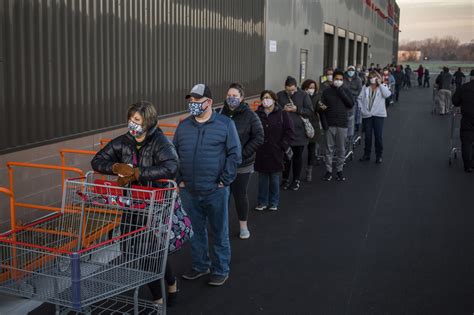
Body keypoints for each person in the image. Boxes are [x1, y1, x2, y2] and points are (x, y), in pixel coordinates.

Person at [91, 101, 180, 305]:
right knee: (134, 249)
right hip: (130, 204)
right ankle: (170, 284)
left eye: (137, 120)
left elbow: (171, 166)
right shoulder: (123, 141)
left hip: (154, 204)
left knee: (149, 250)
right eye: (131, 119)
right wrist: (117, 167)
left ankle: (160, 297)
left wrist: (138, 173)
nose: (133, 124)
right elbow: (97, 161)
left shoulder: (160, 142)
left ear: (148, 122)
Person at [174, 83, 241, 286]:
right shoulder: (184, 125)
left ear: (209, 102)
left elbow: (234, 154)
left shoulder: (225, 124)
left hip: (216, 191)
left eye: (197, 101)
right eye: (190, 101)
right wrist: (179, 180)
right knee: (195, 232)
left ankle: (221, 269)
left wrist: (224, 180)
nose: (192, 104)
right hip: (189, 191)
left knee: (219, 231)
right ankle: (201, 265)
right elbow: (173, 154)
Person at [219, 83, 264, 239]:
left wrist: (242, 154)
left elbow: (259, 137)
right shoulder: (219, 113)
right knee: (222, 196)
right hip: (223, 163)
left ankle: (243, 226)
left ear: (242, 98)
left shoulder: (251, 116)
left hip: (242, 164)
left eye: (235, 96)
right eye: (229, 96)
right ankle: (221, 226)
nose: (231, 98)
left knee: (239, 194)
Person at [255, 90, 294, 210]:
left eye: (268, 97)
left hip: (276, 151)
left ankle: (273, 202)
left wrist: (283, 145)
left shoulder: (282, 114)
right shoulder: (257, 114)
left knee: (274, 178)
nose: (266, 100)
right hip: (261, 151)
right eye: (264, 97)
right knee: (262, 178)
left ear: (274, 100)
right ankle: (262, 202)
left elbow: (289, 131)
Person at [277, 76, 313, 191]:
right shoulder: (280, 95)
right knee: (286, 157)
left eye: (293, 90)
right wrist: (283, 108)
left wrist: (297, 109)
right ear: (285, 88)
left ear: (296, 87)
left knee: (297, 157)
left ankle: (296, 180)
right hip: (285, 132)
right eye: (288, 90)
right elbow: (274, 110)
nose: (291, 92)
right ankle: (285, 179)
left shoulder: (303, 95)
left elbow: (310, 112)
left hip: (299, 132)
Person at [318, 70, 354, 181]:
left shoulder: (346, 90)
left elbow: (350, 104)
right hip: (330, 124)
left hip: (342, 124)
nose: (338, 81)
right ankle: (328, 171)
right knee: (328, 149)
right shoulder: (327, 92)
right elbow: (321, 106)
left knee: (341, 149)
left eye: (340, 79)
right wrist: (325, 124)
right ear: (332, 80)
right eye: (336, 79)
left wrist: (341, 91)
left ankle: (339, 170)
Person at [358, 71, 391, 164]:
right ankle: (366, 154)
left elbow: (387, 95)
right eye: (371, 77)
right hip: (367, 115)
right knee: (367, 136)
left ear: (378, 78)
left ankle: (379, 155)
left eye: (374, 77)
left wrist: (380, 84)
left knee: (378, 136)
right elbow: (359, 98)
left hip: (378, 115)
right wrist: (361, 108)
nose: (372, 78)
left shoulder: (382, 87)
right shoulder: (365, 87)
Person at [452, 69, 474, 172]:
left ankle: (468, 165)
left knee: (466, 142)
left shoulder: (464, 88)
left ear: (471, 77)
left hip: (467, 119)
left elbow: (455, 101)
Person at [301, 79, 323, 181]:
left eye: (313, 88)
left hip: (313, 125)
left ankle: (309, 170)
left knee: (311, 149)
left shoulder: (318, 97)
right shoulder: (300, 97)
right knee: (299, 149)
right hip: (301, 124)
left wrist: (323, 107)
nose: (311, 90)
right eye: (309, 88)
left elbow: (322, 108)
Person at [343, 65, 363, 154]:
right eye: (349, 70)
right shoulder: (343, 79)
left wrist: (350, 92)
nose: (350, 71)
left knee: (351, 119)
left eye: (352, 70)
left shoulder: (358, 80)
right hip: (343, 102)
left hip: (353, 102)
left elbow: (359, 91)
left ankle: (350, 139)